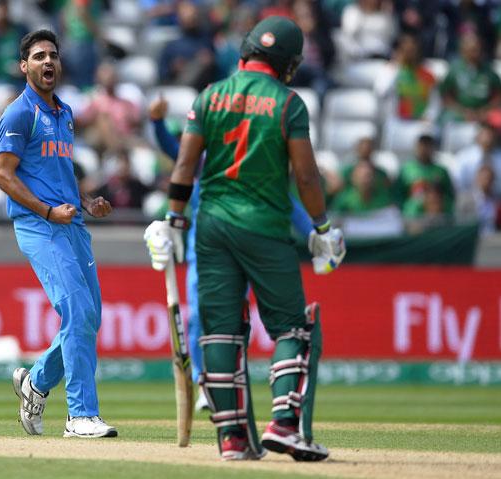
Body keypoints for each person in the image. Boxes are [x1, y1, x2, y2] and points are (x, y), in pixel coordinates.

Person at [144, 17, 345, 461]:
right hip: (263, 226)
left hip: (210, 227)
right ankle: (285, 425)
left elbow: (182, 168)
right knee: (293, 326)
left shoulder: (208, 96)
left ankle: (233, 439)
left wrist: (170, 220)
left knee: (219, 333)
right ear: (288, 64)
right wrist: (323, 228)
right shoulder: (289, 103)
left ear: (246, 52)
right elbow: (307, 175)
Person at [148, 93, 323, 412]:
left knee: (233, 320)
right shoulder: (202, 166)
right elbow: (177, 153)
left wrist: (313, 232)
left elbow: (288, 201)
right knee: (200, 315)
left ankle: (227, 380)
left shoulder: (250, 167)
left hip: (242, 249)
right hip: (204, 251)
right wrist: (157, 121)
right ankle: (204, 383)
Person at [0, 29, 116, 438]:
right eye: (40, 56)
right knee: (77, 314)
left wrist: (85, 201)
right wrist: (47, 210)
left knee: (90, 317)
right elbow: (3, 177)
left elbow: (56, 175)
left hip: (72, 224)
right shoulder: (18, 113)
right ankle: (80, 415)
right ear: (24, 66)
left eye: (54, 55)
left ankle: (36, 383)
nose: (49, 62)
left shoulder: (63, 113)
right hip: (39, 226)